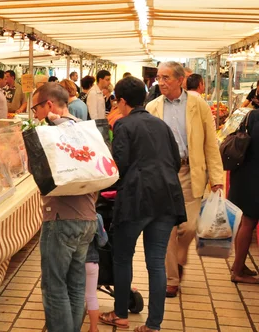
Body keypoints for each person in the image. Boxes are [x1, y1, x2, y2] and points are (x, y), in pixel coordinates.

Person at [100, 77, 186, 332]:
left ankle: (120, 315)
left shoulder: (124, 125)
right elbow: (175, 160)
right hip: (167, 198)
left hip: (136, 199)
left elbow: (119, 165)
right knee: (156, 263)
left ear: (122, 101)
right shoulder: (161, 125)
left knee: (123, 257)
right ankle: (153, 325)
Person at [146, 61, 224, 298]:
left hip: (191, 172)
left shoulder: (197, 104)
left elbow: (210, 141)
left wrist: (217, 178)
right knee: (167, 228)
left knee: (189, 226)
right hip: (163, 175)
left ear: (181, 80)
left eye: (167, 78)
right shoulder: (152, 107)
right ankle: (172, 278)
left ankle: (179, 258)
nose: (162, 82)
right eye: (159, 77)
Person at [31, 82, 97, 332]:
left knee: (54, 286)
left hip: (60, 218)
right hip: (88, 216)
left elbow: (41, 174)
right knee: (76, 283)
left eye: (36, 107)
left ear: (49, 105)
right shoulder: (84, 129)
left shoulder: (53, 132)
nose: (34, 113)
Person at [229, 108, 259, 283]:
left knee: (244, 222)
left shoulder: (251, 115)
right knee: (248, 223)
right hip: (254, 179)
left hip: (242, 174)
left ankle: (238, 265)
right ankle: (238, 272)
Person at [85, 213, 108, 332]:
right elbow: (102, 241)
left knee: (73, 296)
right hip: (91, 262)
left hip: (73, 262)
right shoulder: (96, 216)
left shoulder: (67, 212)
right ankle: (93, 328)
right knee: (91, 296)